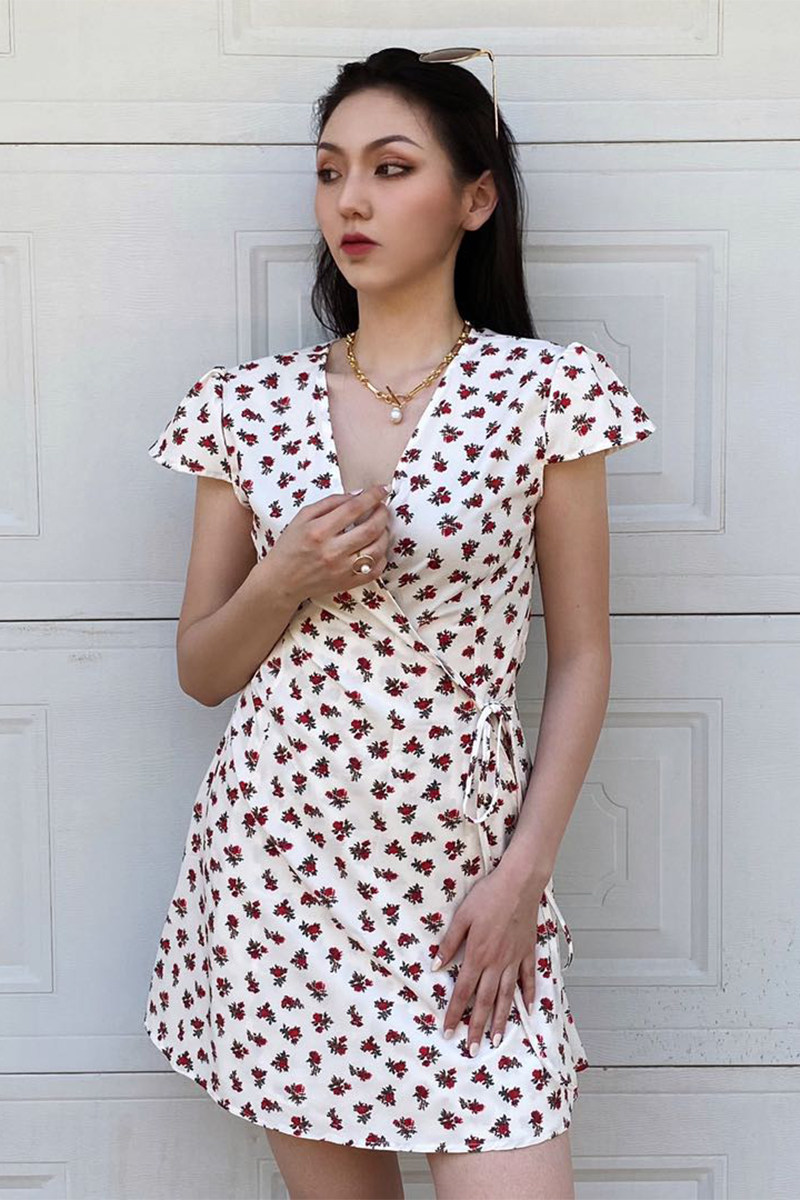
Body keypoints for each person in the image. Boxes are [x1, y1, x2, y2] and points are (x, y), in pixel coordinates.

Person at [143, 46, 656, 1200]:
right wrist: (282, 579)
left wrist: (521, 875)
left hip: (465, 878)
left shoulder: (547, 390)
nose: (351, 202)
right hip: (277, 875)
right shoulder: (241, 406)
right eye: (329, 172)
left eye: (389, 167)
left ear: (475, 199)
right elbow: (201, 669)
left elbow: (581, 657)